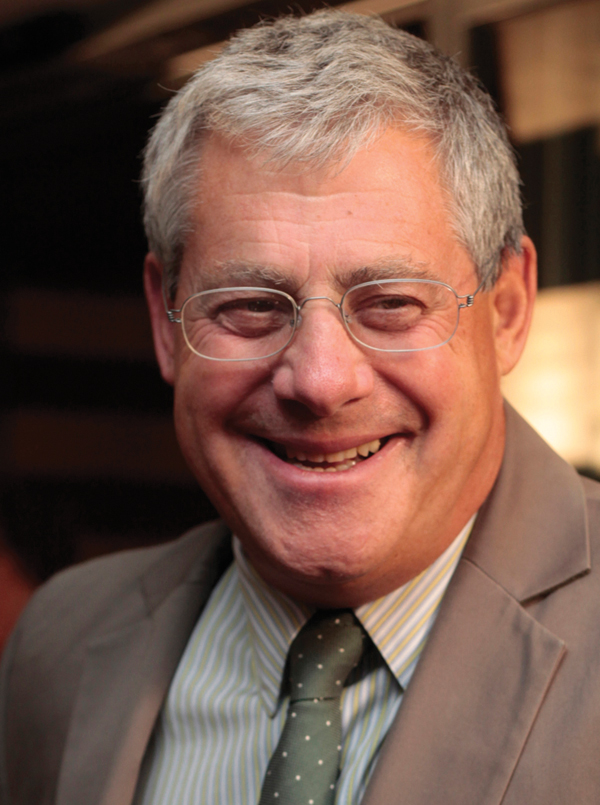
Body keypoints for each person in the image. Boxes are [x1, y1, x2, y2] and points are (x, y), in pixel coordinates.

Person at [1, 9, 600, 805]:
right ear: (165, 321)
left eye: (389, 302)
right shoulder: (60, 644)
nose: (319, 380)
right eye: (250, 304)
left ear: (508, 310)